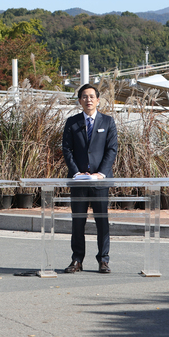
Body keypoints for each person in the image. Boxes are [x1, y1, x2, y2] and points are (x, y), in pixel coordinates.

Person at [61, 83, 118, 274]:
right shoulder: (72, 122)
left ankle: (103, 259)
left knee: (102, 221)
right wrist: (76, 173)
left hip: (100, 180)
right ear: (79, 101)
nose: (88, 100)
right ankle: (77, 260)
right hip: (78, 181)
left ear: (98, 100)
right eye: (84, 97)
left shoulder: (108, 122)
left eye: (92, 96)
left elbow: (111, 150)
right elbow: (67, 149)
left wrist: (100, 173)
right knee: (78, 221)